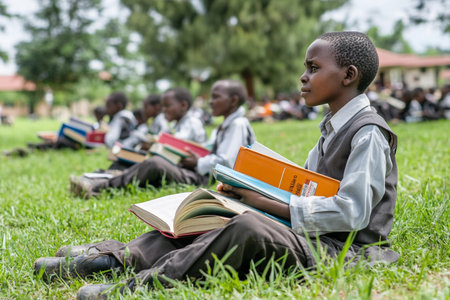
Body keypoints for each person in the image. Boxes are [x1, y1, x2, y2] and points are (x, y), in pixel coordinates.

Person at [34, 32, 398, 300]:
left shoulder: (368, 133)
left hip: (341, 251)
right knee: (211, 211)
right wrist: (247, 194)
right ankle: (115, 259)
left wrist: (263, 203)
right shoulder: (330, 129)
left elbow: (353, 212)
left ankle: (138, 287)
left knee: (249, 225)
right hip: (309, 235)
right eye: (305, 68)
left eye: (313, 68)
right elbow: (305, 189)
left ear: (348, 75)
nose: (303, 77)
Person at [68, 84, 246, 198]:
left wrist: (198, 161)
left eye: (216, 97)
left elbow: (226, 162)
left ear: (233, 101)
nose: (211, 102)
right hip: (192, 167)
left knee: (154, 164)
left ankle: (99, 188)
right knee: (136, 161)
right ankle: (96, 178)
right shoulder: (225, 125)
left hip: (201, 176)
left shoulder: (237, 124)